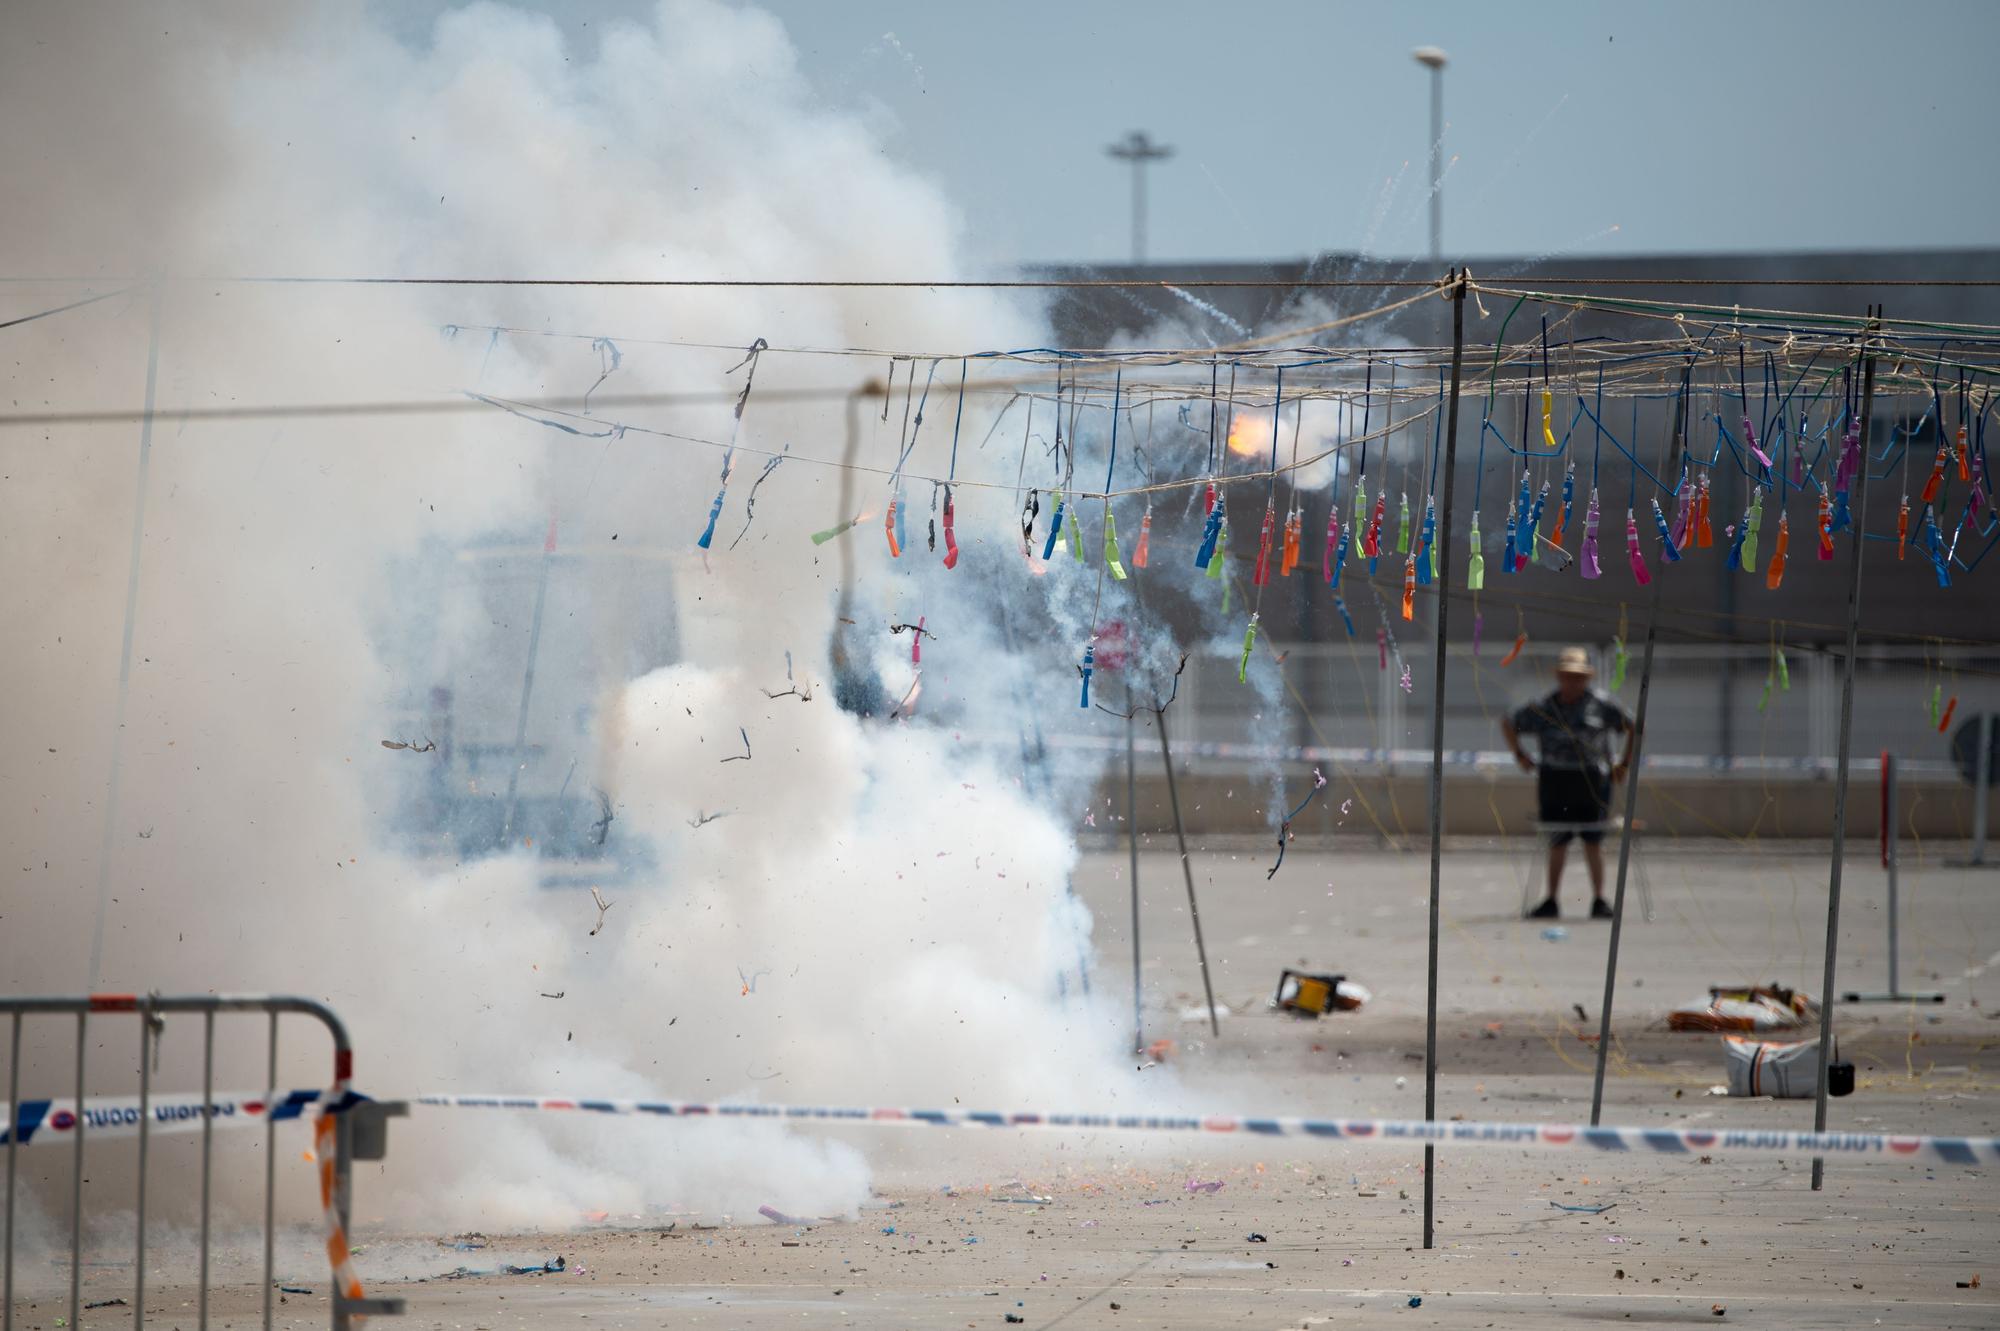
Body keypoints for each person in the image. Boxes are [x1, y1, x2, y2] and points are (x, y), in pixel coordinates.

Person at [1502, 646, 1635, 920]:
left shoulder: (1601, 704)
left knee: (1593, 840)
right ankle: (1551, 900)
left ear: (1586, 678)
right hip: (1555, 779)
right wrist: (1520, 755)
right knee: (1557, 840)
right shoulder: (1544, 706)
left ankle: (1599, 899)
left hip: (1592, 780)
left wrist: (1623, 764)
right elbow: (1508, 721)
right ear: (1559, 677)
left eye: (1578, 677)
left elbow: (1633, 726)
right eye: (1567, 676)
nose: (1572, 682)